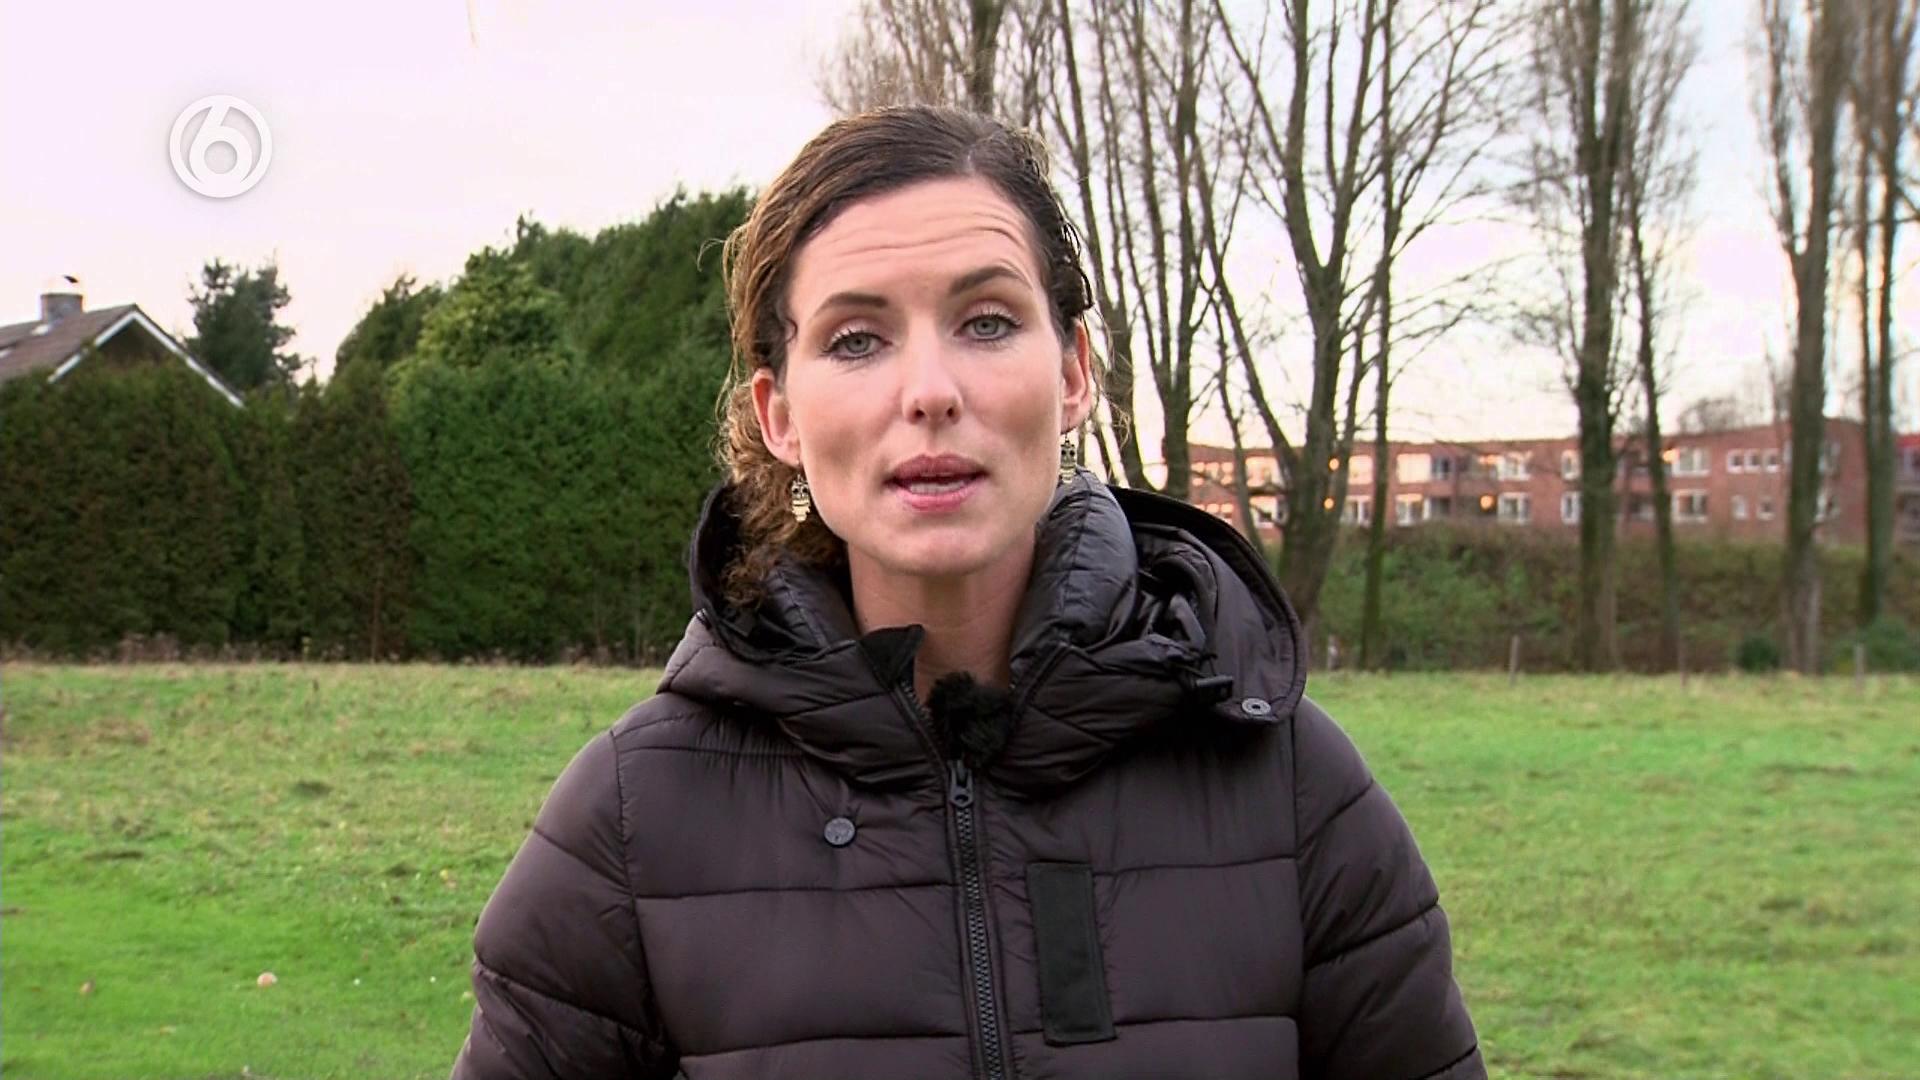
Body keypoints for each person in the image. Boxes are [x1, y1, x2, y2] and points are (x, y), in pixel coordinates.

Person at [450, 105, 1483, 1080]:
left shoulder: (1289, 785)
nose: (931, 392)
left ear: (1073, 372)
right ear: (780, 415)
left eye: (987, 322)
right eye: (857, 340)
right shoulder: (632, 822)